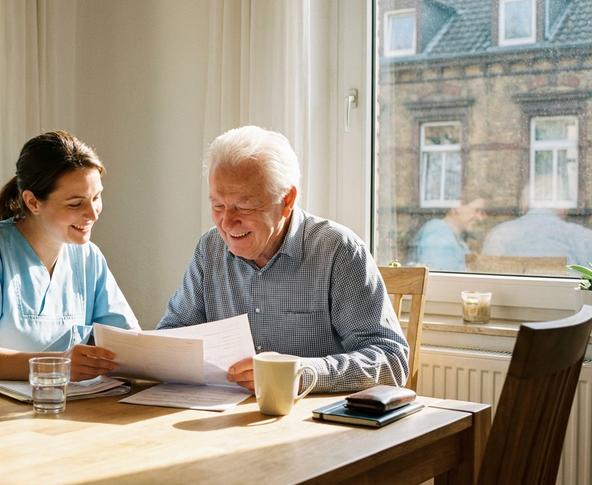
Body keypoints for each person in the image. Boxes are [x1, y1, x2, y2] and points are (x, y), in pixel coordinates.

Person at [157, 126, 409, 394]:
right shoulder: (210, 249)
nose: (227, 222)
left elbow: (391, 360)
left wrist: (301, 374)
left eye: (244, 206)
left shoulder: (338, 252)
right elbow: (174, 335)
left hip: (313, 422)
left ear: (287, 200)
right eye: (218, 205)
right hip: (221, 417)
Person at [0, 131, 139, 385]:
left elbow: (128, 342)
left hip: (47, 405)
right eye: (75, 204)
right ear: (33, 202)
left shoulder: (88, 257)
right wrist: (58, 365)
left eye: (96, 197)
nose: (92, 213)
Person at [482, 207, 592, 265]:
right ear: (564, 209)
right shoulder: (583, 236)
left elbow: (486, 281)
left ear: (523, 206)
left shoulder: (500, 233)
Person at [410, 198, 486, 271]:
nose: (480, 218)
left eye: (482, 212)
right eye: (476, 211)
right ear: (457, 207)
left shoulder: (455, 235)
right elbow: (440, 280)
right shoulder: (438, 234)